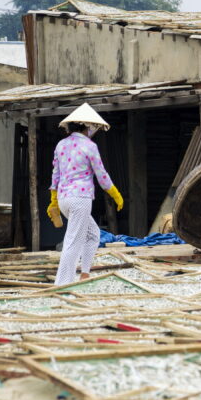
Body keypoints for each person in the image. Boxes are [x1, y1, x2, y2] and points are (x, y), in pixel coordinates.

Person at [47, 103, 124, 286]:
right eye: (95, 128)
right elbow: (102, 175)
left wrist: (53, 200)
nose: (95, 131)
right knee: (73, 241)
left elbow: (55, 175)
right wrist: (115, 193)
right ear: (89, 126)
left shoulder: (61, 145)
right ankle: (62, 283)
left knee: (93, 235)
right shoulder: (90, 146)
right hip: (80, 199)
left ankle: (85, 273)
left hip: (64, 198)